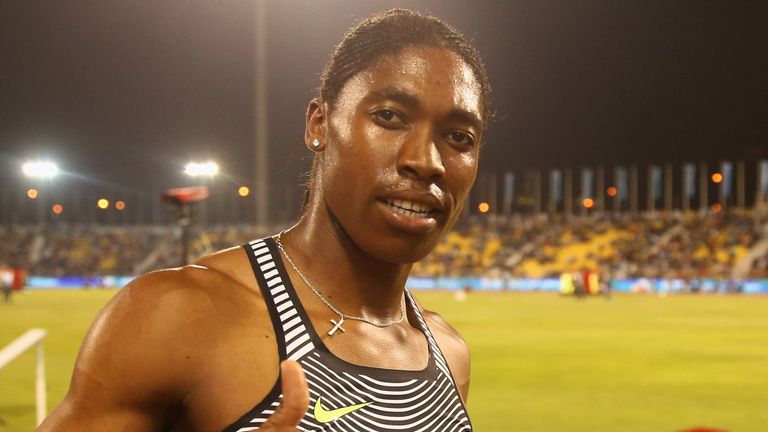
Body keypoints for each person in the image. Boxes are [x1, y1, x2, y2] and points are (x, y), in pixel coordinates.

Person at [39, 8, 490, 431]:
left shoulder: (449, 354)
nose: (427, 161)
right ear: (319, 124)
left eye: (458, 137)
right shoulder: (180, 315)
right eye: (389, 117)